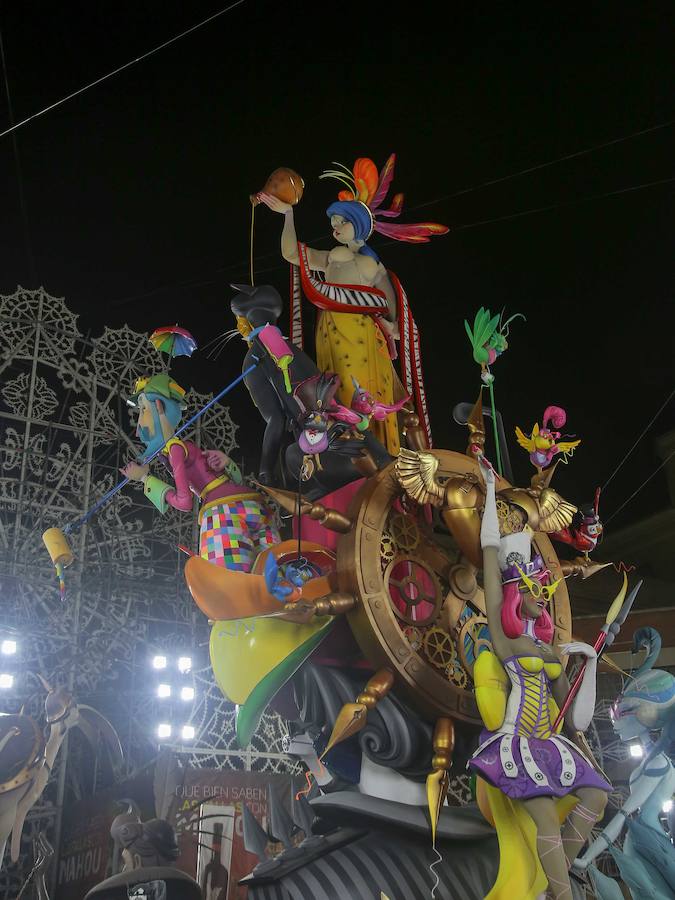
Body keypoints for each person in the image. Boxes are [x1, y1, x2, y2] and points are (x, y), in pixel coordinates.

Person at [470, 458, 610, 899]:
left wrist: (586, 662)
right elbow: (490, 556)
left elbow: (574, 717)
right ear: (515, 592)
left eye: (541, 589)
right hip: (517, 745)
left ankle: (552, 885)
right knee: (547, 820)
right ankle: (562, 894)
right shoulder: (507, 640)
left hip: (549, 742)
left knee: (598, 800)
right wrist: (490, 489)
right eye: (530, 589)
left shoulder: (550, 650)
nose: (539, 596)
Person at [257, 154, 447, 454]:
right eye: (333, 222)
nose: (334, 227)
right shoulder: (332, 255)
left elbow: (392, 311)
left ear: (356, 226)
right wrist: (288, 215)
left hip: (362, 335)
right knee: (333, 390)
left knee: (360, 391)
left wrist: (392, 325)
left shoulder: (373, 267)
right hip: (330, 330)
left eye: (340, 222)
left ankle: (373, 451)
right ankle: (338, 446)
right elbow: (291, 254)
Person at [120, 373, 279, 573]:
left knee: (226, 589)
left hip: (223, 515)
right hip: (253, 505)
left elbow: (184, 502)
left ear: (159, 407)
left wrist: (144, 478)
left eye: (143, 409)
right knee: (279, 577)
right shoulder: (180, 448)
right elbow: (236, 479)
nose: (139, 427)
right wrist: (227, 462)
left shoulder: (176, 449)